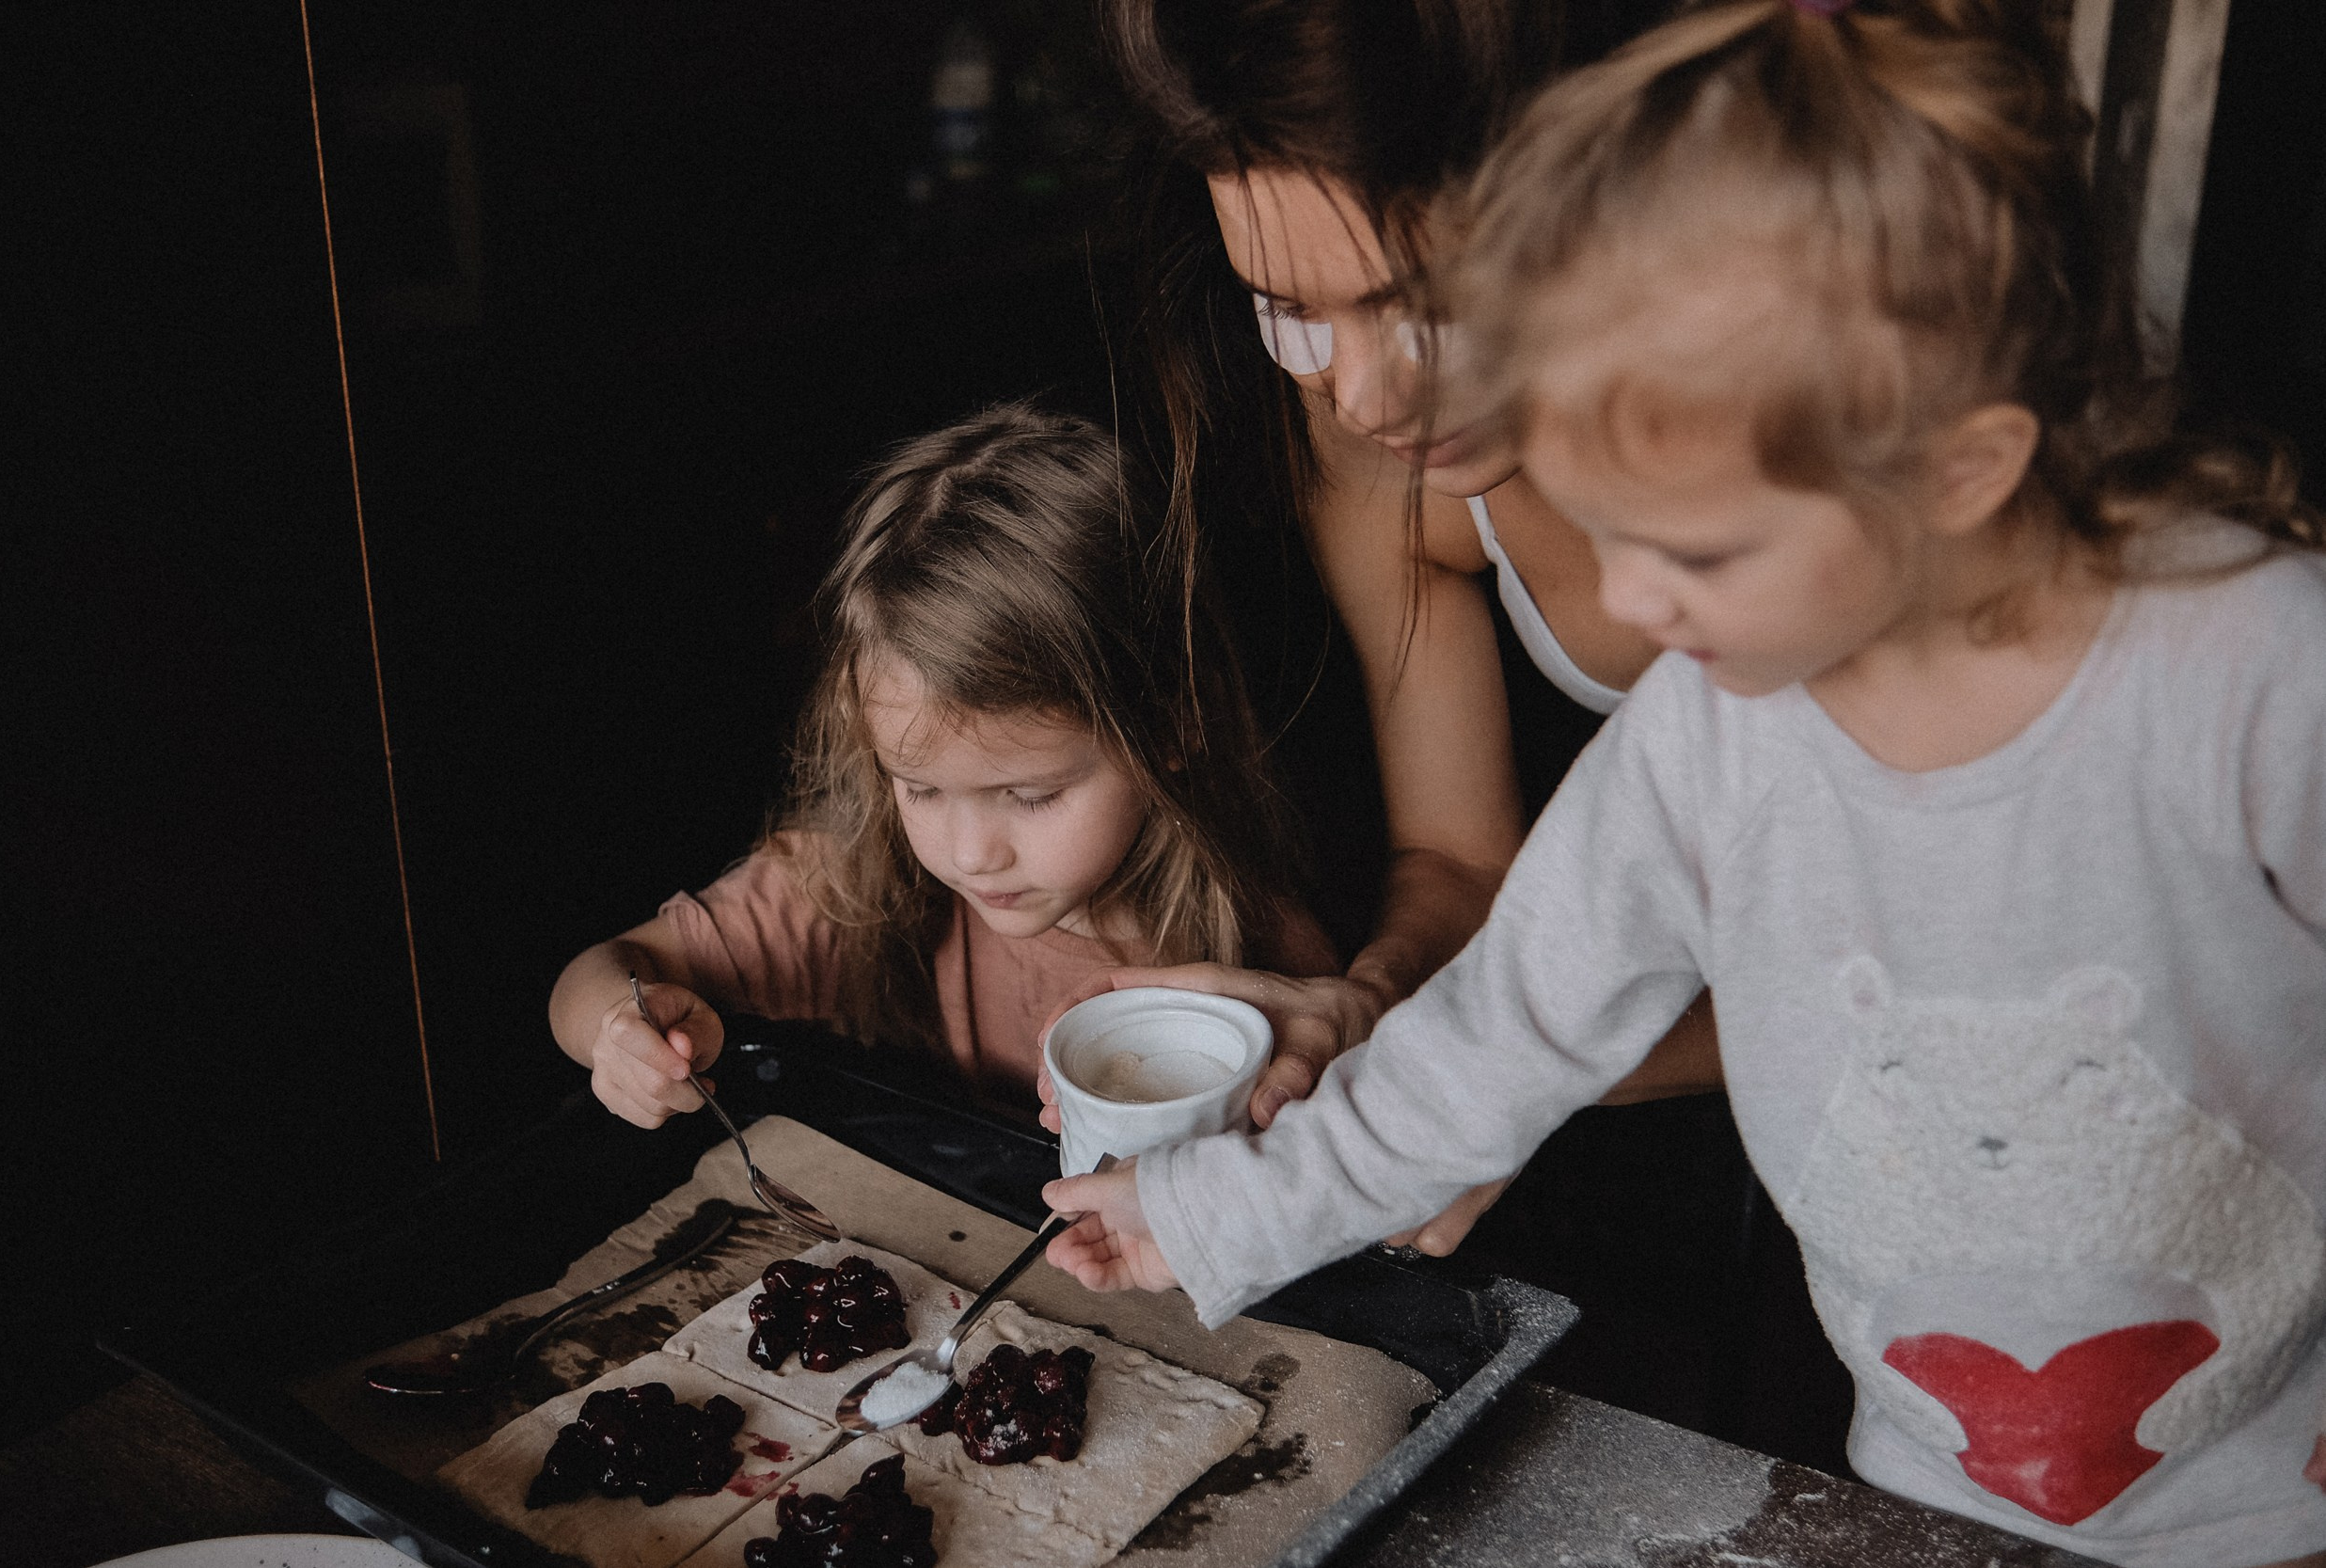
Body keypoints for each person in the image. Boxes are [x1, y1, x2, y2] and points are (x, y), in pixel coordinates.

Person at [1042, 1, 2326, 1561]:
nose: (1631, 611)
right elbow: (1505, 1024)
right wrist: (1204, 1215)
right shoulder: (1712, 716)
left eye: (1692, 550)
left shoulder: (2257, 664)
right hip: (1920, 1474)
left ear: (1960, 466)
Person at [1043, 0, 1717, 1253]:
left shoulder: (1814, 445)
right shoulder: (1365, 437)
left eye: (1430, 311)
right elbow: (1462, 861)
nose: (1363, 391)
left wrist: (1471, 1079)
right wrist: (1373, 1003)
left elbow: (1920, 962)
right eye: (1292, 312)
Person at [551, 404, 1334, 1129]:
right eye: (918, 786)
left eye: (1029, 795)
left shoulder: (1263, 958)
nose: (969, 852)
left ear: (1169, 722)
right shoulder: (860, 878)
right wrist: (623, 1027)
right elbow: (600, 971)